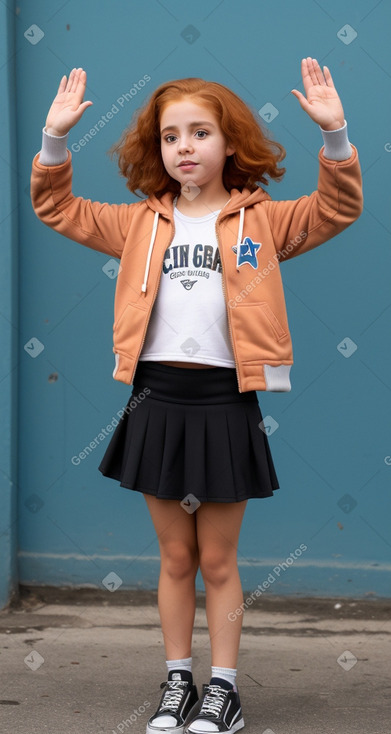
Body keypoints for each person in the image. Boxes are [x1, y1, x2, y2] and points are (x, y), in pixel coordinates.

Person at [30, 59, 363, 734]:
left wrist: (334, 136)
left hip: (223, 402)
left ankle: (225, 690)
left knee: (217, 558)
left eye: (200, 132)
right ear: (156, 150)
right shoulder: (138, 226)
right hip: (155, 400)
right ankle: (177, 680)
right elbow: (56, 206)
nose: (184, 146)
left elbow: (337, 208)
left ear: (229, 142)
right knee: (174, 557)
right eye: (170, 135)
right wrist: (54, 141)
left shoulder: (261, 224)